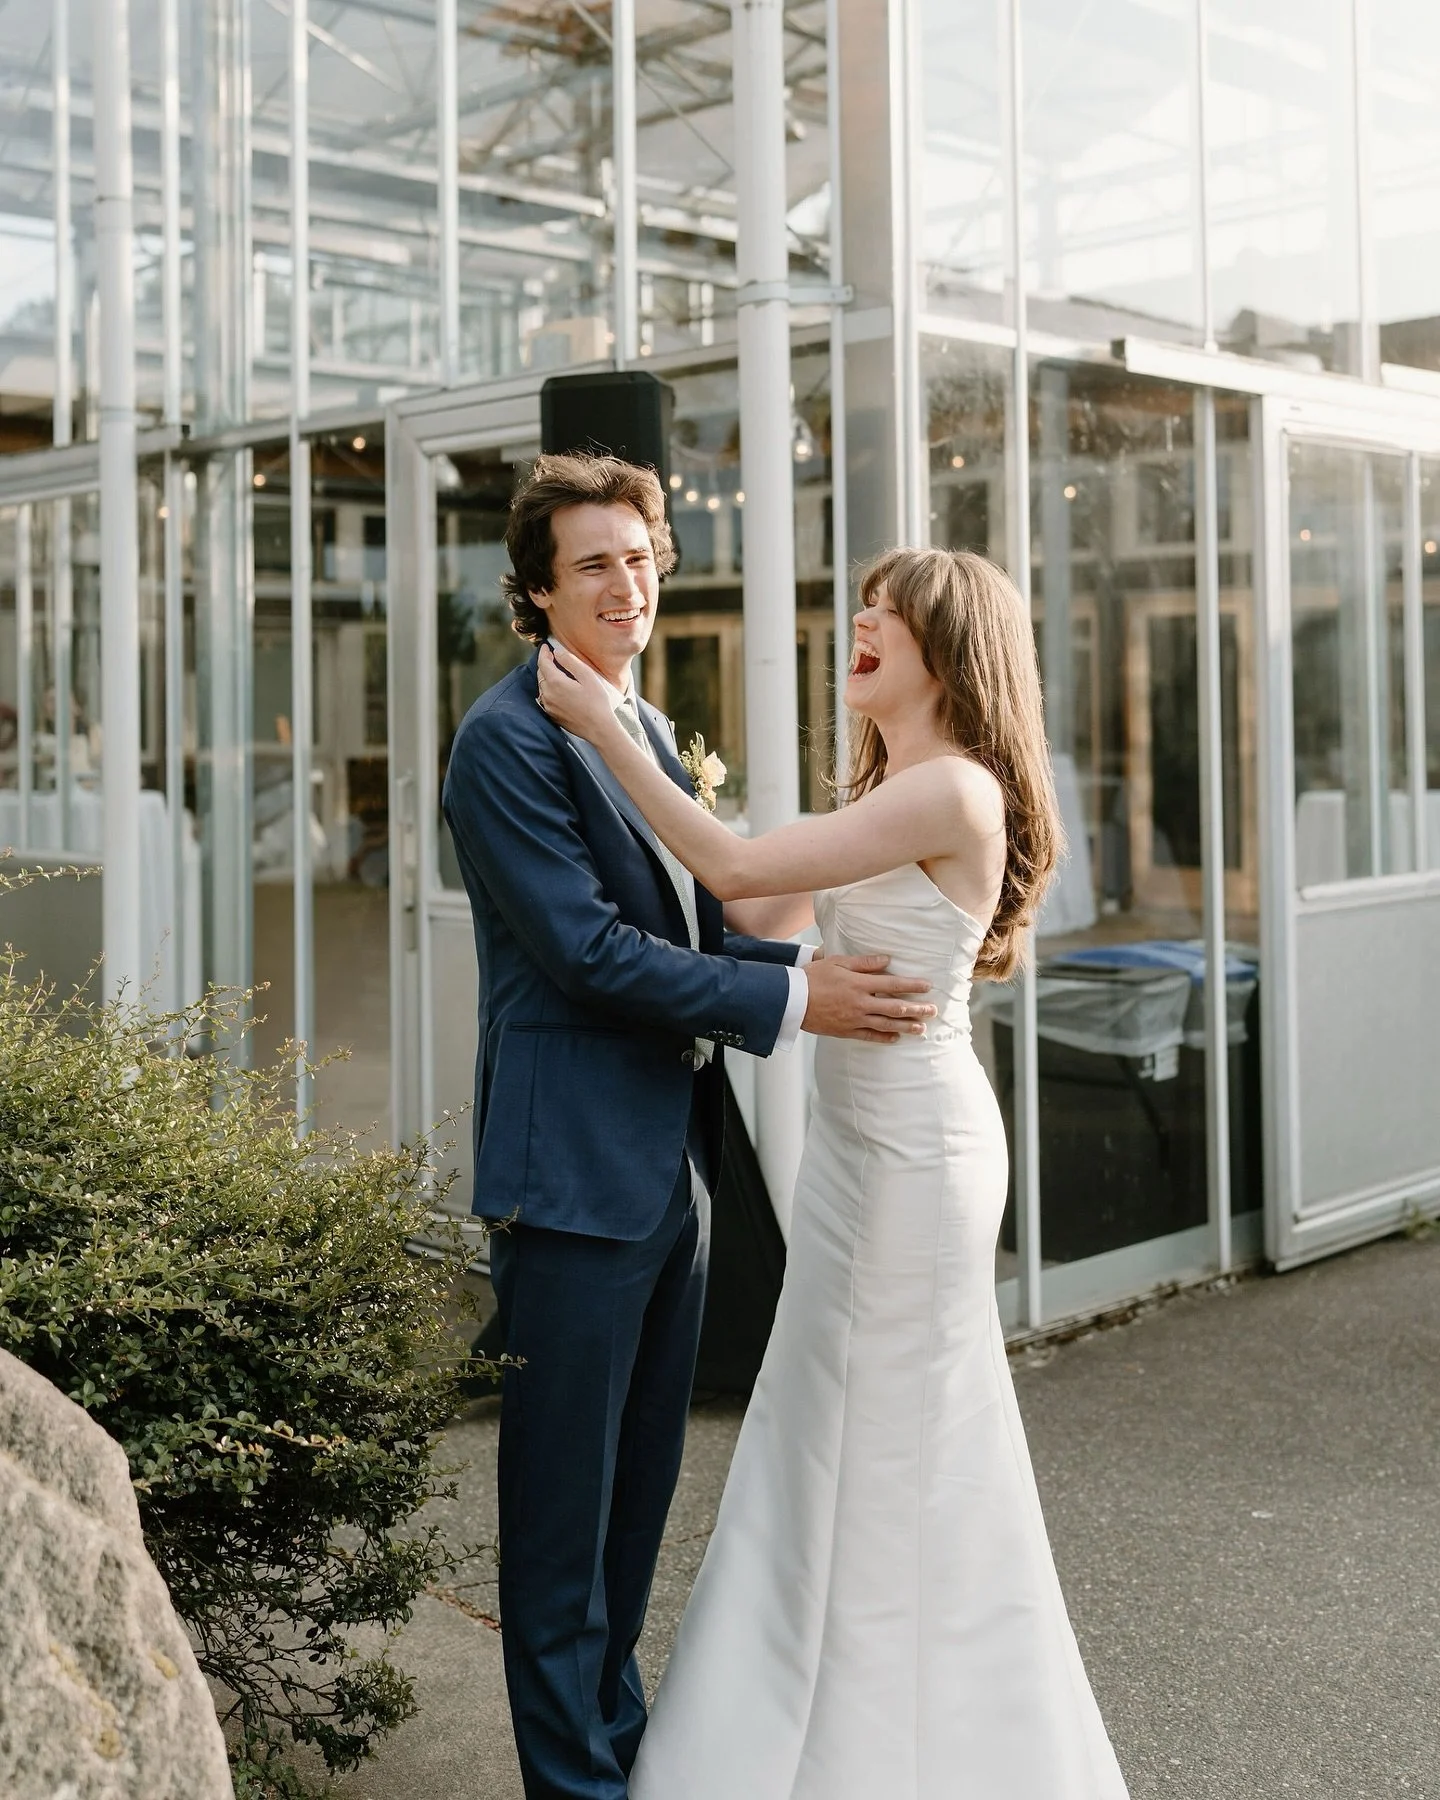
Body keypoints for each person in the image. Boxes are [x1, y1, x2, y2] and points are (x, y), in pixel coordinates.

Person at [536, 544, 1132, 1799]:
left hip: (919, 1156)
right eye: (859, 606)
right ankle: (799, 1726)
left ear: (949, 654)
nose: (858, 622)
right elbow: (762, 922)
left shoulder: (957, 791)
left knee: (899, 1444)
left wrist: (606, 736)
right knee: (821, 1433)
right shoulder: (888, 785)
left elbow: (742, 870)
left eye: (890, 615)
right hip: (855, 1159)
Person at [440, 452, 937, 1800]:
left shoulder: (641, 730)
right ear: (537, 590)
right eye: (595, 560)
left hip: (670, 1176)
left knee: (632, 1518)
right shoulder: (502, 743)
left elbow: (710, 922)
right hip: (568, 1182)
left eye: (642, 551)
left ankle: (619, 1756)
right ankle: (577, 1786)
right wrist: (801, 1005)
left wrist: (853, 874)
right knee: (558, 1535)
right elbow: (591, 955)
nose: (629, 577)